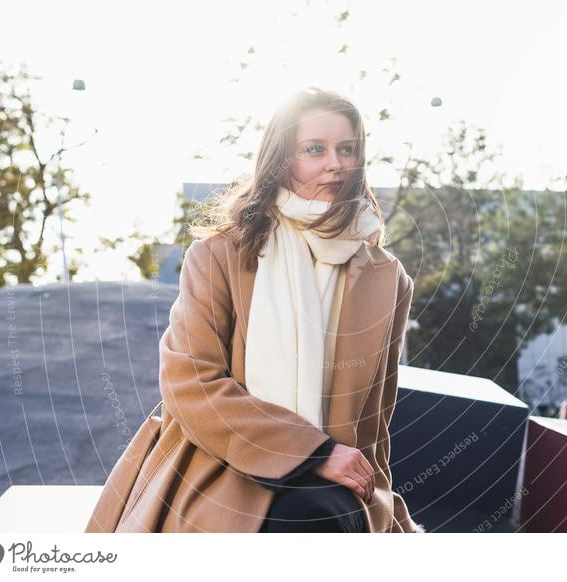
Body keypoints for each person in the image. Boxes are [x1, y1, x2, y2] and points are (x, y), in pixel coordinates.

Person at [145, 86, 424, 533]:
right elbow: (188, 380)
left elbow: (373, 426)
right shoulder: (220, 256)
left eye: (346, 149)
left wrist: (392, 520)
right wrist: (312, 452)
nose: (336, 163)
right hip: (220, 468)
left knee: (323, 514)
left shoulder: (387, 278)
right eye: (315, 149)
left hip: (335, 493)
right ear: (281, 159)